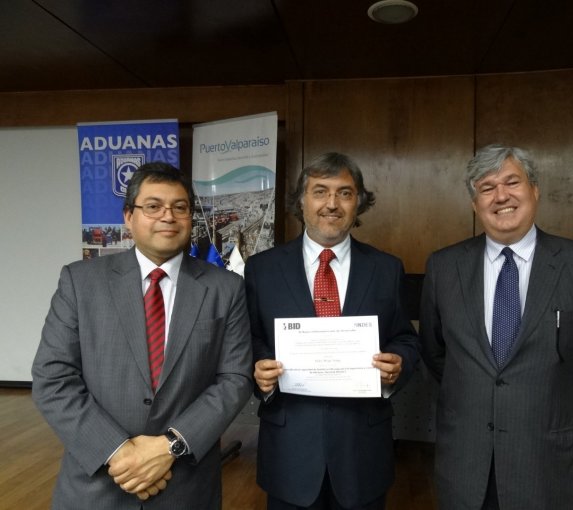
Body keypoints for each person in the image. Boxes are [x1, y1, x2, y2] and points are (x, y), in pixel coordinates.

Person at [32, 162, 253, 509]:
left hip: (185, 485)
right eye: (153, 206)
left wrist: (171, 445)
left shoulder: (225, 288)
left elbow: (235, 379)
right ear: (128, 217)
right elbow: (52, 377)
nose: (168, 216)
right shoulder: (80, 282)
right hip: (99, 484)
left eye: (179, 207)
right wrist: (119, 452)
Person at [420, 144, 573, 510]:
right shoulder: (443, 267)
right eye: (487, 188)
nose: (501, 196)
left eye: (512, 182)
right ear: (474, 204)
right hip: (466, 463)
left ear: (535, 190)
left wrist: (560, 416)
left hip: (548, 461)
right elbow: (435, 354)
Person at [244, 152, 420, 509]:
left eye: (345, 193)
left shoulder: (386, 269)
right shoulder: (262, 269)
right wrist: (258, 368)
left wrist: (397, 364)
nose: (332, 204)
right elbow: (248, 338)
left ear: (358, 203)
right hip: (289, 453)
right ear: (301, 201)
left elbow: (405, 338)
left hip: (362, 451)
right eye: (320, 191)